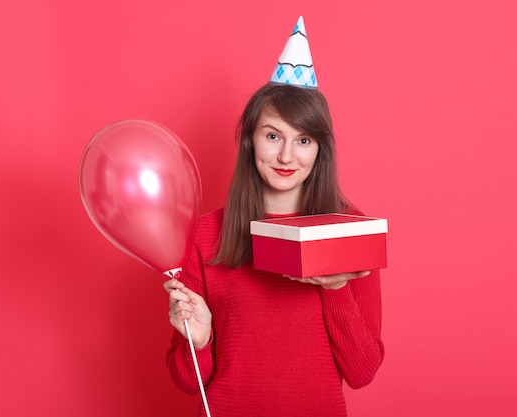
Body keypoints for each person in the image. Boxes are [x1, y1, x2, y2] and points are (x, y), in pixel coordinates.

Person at [163, 17, 384, 417]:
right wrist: (200, 339)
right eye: (272, 136)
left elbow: (363, 371)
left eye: (303, 140)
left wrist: (334, 290)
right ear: (250, 139)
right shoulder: (205, 234)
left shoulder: (352, 231)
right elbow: (184, 380)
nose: (286, 156)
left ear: (320, 149)